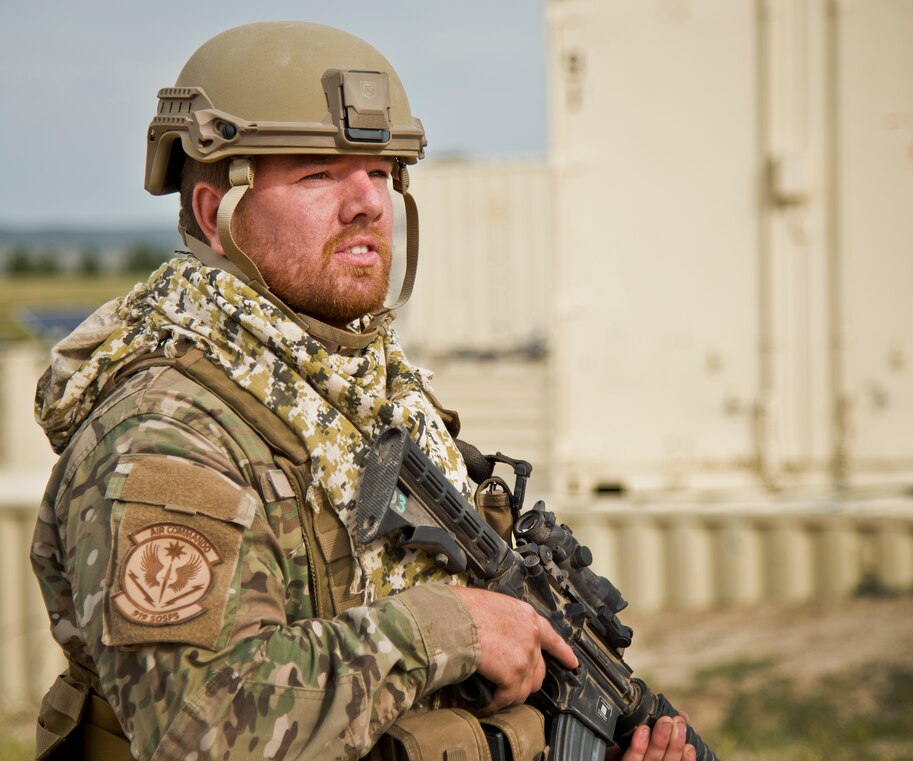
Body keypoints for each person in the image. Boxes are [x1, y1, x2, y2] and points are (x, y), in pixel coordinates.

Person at [29, 20, 695, 761]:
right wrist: (449, 627)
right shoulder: (165, 436)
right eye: (318, 174)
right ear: (215, 215)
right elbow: (203, 725)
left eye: (380, 172)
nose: (367, 203)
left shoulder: (376, 400)